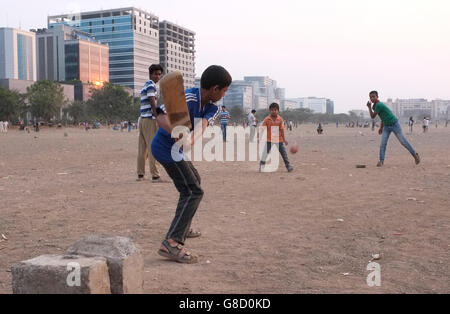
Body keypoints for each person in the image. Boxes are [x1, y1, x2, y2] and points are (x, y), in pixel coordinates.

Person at [151, 65, 232, 264]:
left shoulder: (213, 108)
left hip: (177, 150)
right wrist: (176, 131)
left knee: (194, 180)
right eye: (224, 90)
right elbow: (159, 116)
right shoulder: (187, 98)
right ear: (215, 89)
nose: (224, 94)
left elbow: (202, 126)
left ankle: (183, 227)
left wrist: (190, 139)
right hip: (164, 148)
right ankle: (171, 242)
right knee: (193, 191)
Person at [367, 91, 420, 167]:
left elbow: (372, 116)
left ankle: (415, 155)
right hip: (386, 126)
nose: (372, 98)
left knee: (403, 142)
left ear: (377, 97)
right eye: (371, 97)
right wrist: (381, 127)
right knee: (383, 144)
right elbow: (382, 116)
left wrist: (369, 107)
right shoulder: (375, 106)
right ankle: (381, 161)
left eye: (373, 96)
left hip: (394, 124)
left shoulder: (379, 105)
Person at [137, 64, 164, 182]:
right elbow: (152, 100)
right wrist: (157, 115)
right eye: (155, 74)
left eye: (159, 74)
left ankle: (140, 175)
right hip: (149, 119)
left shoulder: (145, 85)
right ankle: (155, 175)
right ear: (150, 74)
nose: (158, 76)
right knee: (153, 147)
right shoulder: (151, 86)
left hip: (142, 119)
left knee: (142, 149)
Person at [260, 103, 294, 173]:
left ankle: (288, 166)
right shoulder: (267, 119)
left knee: (284, 154)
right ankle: (261, 166)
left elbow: (281, 130)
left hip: (279, 140)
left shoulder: (280, 119)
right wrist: (260, 137)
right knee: (264, 154)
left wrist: (284, 139)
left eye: (275, 110)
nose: (274, 111)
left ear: (278, 111)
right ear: (270, 110)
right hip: (269, 140)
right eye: (272, 110)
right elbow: (263, 129)